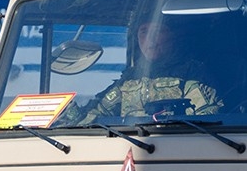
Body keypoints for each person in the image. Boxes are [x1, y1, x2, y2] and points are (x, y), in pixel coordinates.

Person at [69, 20, 221, 123]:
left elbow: (208, 119)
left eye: (158, 31)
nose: (150, 39)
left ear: (173, 36)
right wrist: (69, 114)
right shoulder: (130, 79)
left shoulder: (191, 73)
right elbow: (97, 115)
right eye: (144, 32)